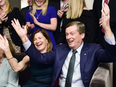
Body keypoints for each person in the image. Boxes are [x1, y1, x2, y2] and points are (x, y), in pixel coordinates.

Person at [11, 4, 116, 87]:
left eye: (72, 34)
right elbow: (40, 59)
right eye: (66, 34)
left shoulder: (93, 49)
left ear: (82, 35)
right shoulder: (60, 49)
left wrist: (107, 29)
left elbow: (110, 56)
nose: (68, 37)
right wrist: (24, 38)